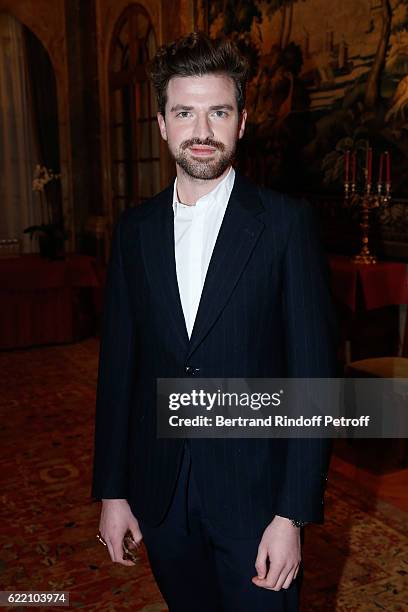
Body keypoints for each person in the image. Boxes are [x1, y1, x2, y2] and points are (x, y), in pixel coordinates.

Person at [92, 32, 337, 612]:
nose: (201, 130)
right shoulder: (134, 232)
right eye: (184, 112)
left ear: (242, 122)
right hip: (161, 492)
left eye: (218, 111)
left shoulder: (285, 225)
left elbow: (314, 376)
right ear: (162, 124)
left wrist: (291, 513)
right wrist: (113, 491)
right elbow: (119, 369)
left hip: (258, 501)